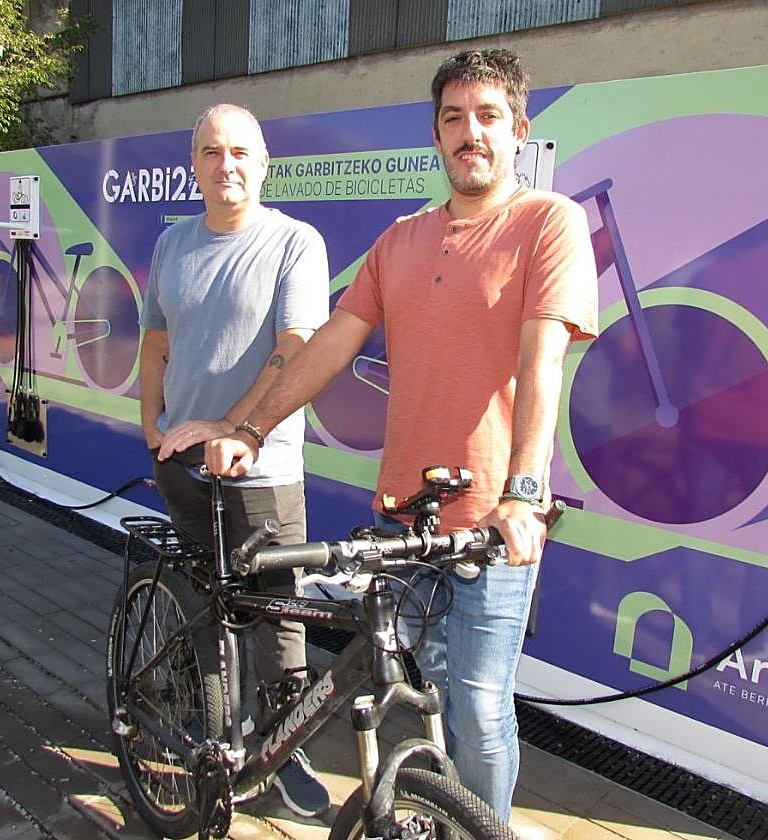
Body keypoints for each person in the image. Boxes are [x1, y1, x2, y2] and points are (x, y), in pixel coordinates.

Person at [206, 50, 598, 820]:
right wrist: (249, 425)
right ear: (436, 135)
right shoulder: (401, 240)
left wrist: (522, 493)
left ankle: (484, 829)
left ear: (518, 129)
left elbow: (542, 357)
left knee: (480, 709)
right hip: (405, 522)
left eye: (488, 116)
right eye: (453, 118)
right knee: (424, 695)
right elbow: (330, 345)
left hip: (492, 526)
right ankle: (435, 818)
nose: (470, 133)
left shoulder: (548, 223)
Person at [139, 103, 331, 818]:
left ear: (264, 161)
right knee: (203, 605)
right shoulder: (171, 245)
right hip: (183, 460)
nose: (228, 166)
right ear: (194, 164)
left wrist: (237, 427)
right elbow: (155, 343)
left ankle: (284, 751)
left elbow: (295, 347)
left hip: (263, 467)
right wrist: (149, 424)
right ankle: (214, 729)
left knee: (281, 616)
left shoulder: (293, 242)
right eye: (213, 152)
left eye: (242, 152)